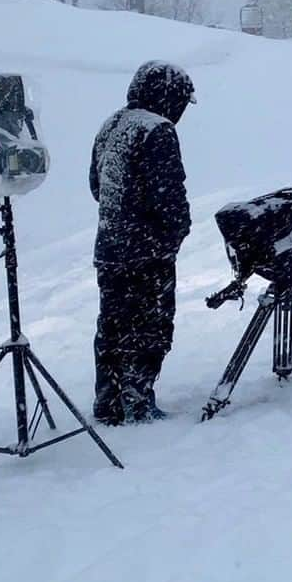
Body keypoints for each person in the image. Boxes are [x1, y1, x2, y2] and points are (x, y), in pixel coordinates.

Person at [89, 61, 195, 424]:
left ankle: (107, 401)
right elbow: (169, 195)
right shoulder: (158, 130)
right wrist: (176, 231)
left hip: (109, 249)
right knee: (150, 326)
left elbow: (96, 186)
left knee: (112, 325)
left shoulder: (112, 124)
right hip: (147, 252)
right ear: (169, 97)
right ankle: (137, 401)